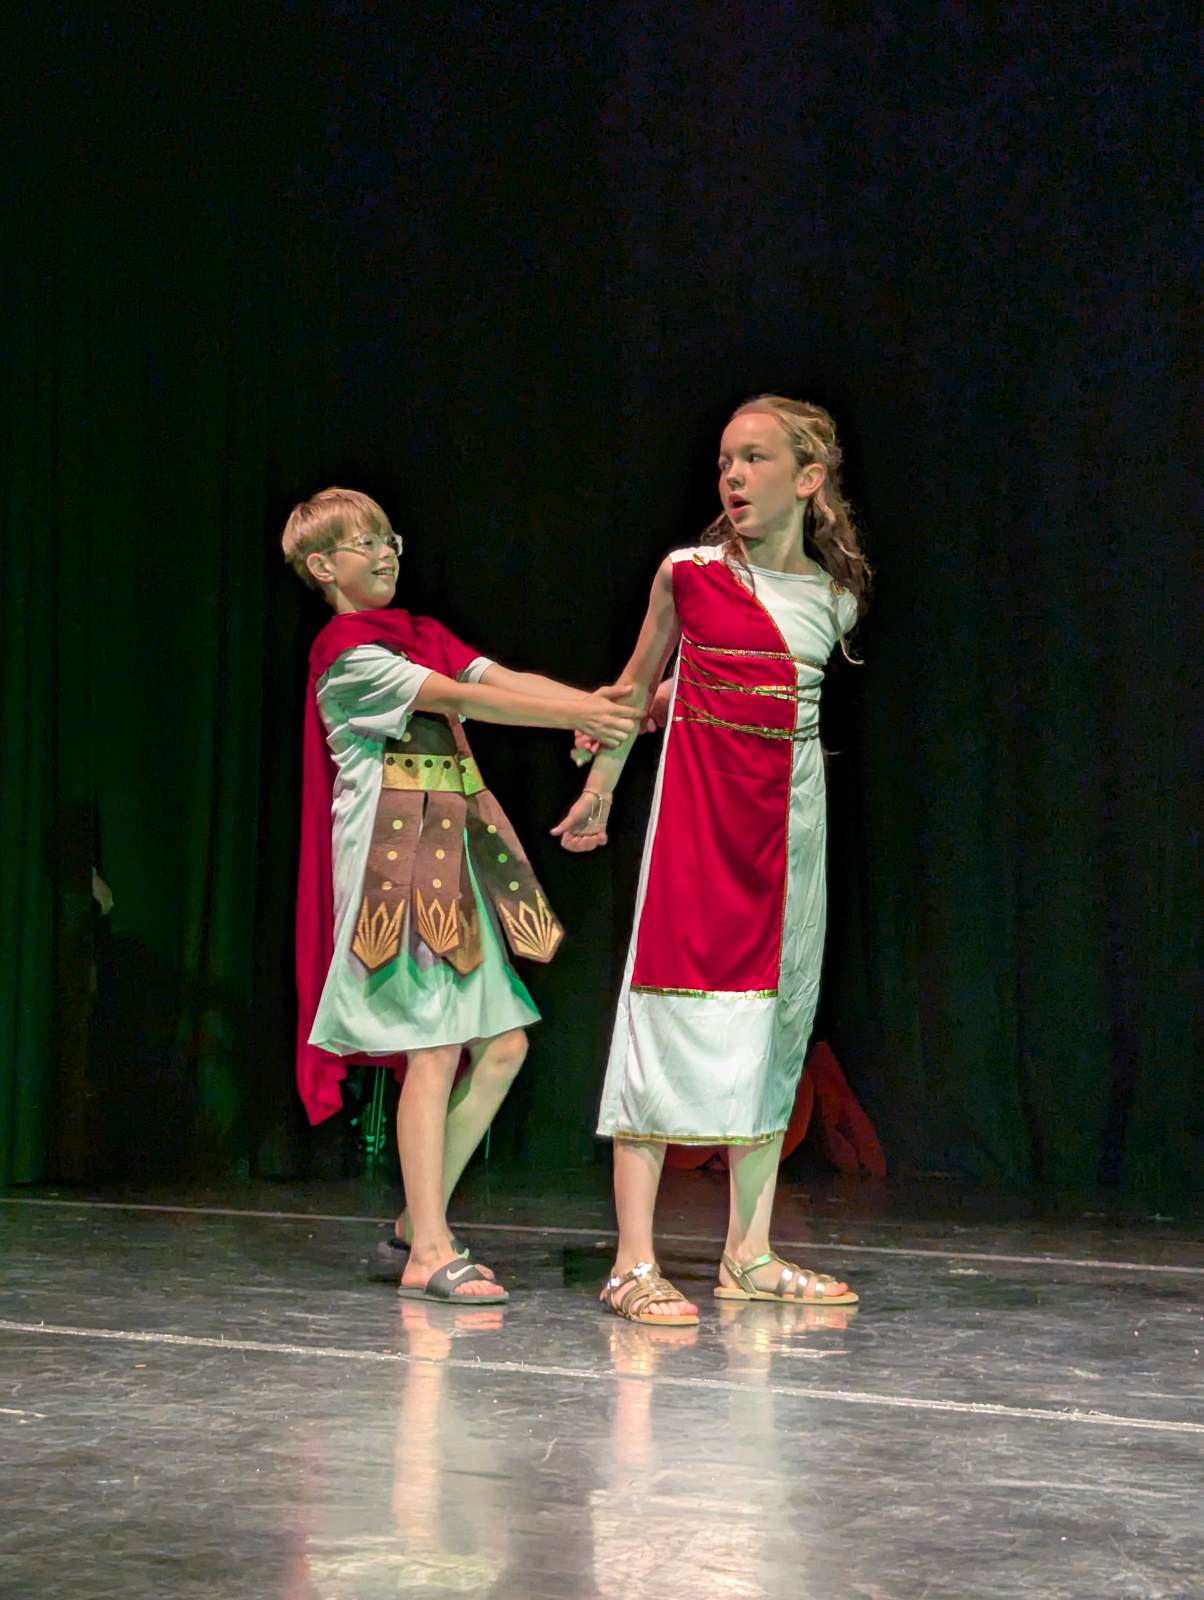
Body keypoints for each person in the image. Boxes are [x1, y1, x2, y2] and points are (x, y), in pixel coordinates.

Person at [553, 397, 869, 1323]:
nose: (732, 476)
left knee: (776, 1030)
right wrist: (599, 791)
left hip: (788, 839)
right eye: (725, 460)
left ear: (808, 479)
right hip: (697, 831)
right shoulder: (687, 575)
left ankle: (749, 1255)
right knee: (663, 1017)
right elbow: (633, 693)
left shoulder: (833, 600)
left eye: (755, 459)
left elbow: (760, 703)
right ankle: (633, 1263)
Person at [284, 487, 638, 1303]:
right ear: (323, 567)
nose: (385, 552)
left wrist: (594, 707)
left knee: (502, 1045)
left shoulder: (420, 633)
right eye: (365, 542)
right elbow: (465, 700)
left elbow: (501, 677)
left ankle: (416, 1223)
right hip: (394, 868)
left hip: (449, 857)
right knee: (434, 1048)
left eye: (390, 538)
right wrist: (591, 716)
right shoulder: (348, 654)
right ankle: (429, 1251)